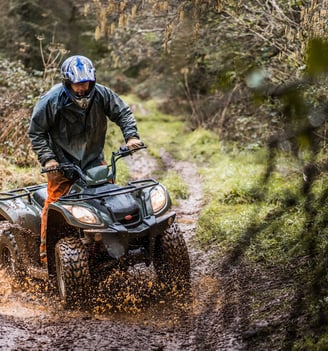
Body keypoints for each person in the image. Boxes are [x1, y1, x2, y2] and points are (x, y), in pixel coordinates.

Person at [28, 55, 142, 265]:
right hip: (61, 165)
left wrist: (131, 136)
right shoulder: (52, 100)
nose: (82, 88)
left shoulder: (101, 94)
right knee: (54, 206)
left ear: (92, 79)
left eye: (86, 83)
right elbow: (36, 132)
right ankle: (45, 255)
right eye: (77, 84)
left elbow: (123, 112)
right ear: (67, 82)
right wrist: (48, 159)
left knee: (110, 201)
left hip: (93, 162)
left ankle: (114, 249)